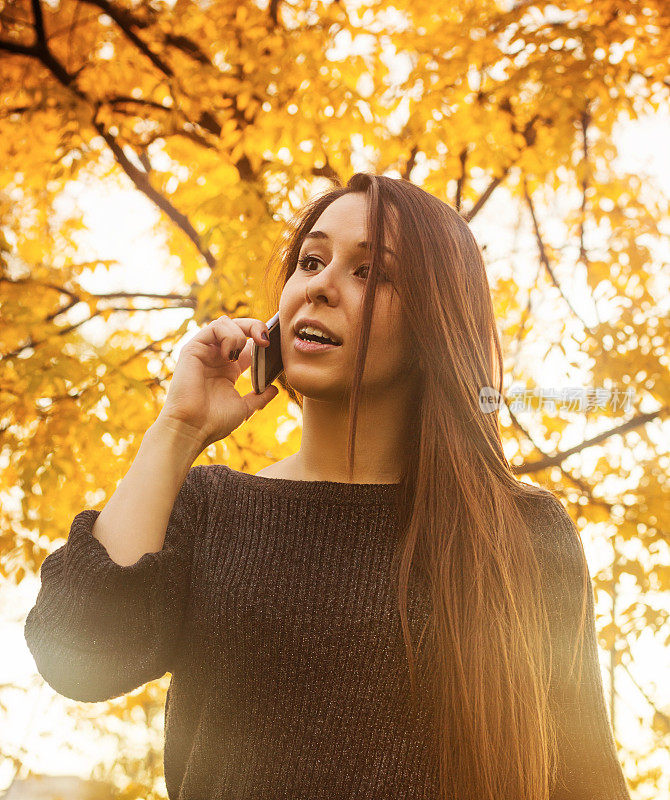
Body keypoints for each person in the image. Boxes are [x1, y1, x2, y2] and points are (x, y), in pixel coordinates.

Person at [24, 173, 632, 800]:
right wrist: (178, 430)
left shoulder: (520, 533)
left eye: (370, 272)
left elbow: (584, 779)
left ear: (436, 322)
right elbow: (75, 655)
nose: (319, 286)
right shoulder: (213, 509)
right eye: (310, 261)